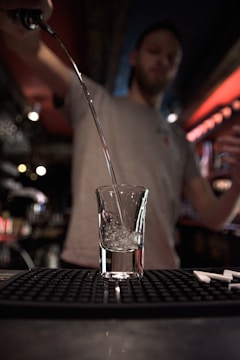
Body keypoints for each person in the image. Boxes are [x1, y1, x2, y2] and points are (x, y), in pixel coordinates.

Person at [1, 0, 240, 269]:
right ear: (134, 57)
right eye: (154, 51)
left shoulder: (181, 141)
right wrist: (24, 20)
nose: (162, 60)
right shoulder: (96, 102)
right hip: (88, 264)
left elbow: (212, 216)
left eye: (172, 58)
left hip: (159, 270)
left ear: (177, 69)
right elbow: (28, 50)